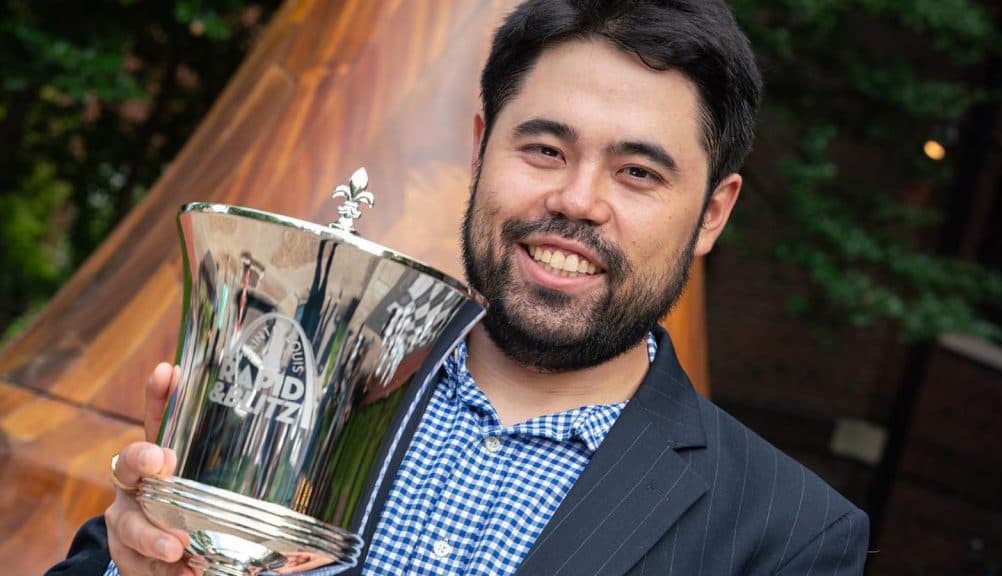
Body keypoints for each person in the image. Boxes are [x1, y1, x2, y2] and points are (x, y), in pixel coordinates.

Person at [48, 0, 870, 574]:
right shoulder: (306, 359)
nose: (577, 201)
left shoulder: (787, 535)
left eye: (638, 171)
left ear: (713, 214)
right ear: (480, 150)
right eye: (545, 149)